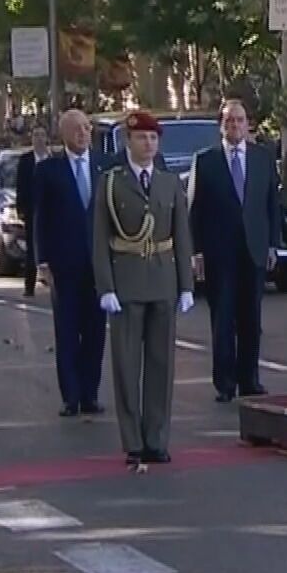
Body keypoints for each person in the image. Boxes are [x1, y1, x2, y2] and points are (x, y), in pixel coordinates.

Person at [94, 110, 194, 469]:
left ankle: (157, 438)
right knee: (126, 365)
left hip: (163, 281)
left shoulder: (169, 183)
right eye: (141, 138)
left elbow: (182, 235)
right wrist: (105, 287)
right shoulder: (112, 183)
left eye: (153, 138)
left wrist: (186, 284)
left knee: (161, 365)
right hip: (127, 281)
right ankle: (133, 441)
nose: (148, 144)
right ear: (128, 141)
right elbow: (100, 239)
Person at [187, 97, 281, 403]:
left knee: (251, 318)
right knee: (223, 318)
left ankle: (249, 379)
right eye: (229, 121)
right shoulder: (206, 160)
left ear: (248, 124)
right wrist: (197, 252)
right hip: (220, 252)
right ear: (221, 126)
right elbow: (195, 210)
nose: (235, 126)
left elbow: (272, 204)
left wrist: (273, 244)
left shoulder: (262, 158)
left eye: (240, 120)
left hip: (254, 248)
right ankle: (225, 383)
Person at [36, 108, 107, 417]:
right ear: (64, 133)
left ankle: (90, 393)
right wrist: (42, 261)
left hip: (98, 264)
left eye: (87, 128)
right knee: (67, 331)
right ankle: (71, 396)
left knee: (95, 331)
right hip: (64, 264)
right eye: (76, 129)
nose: (83, 133)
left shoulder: (105, 166)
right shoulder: (49, 171)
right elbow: (40, 219)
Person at [16, 125, 51, 298]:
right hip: (33, 210)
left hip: (52, 210)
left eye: (42, 135)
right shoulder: (26, 160)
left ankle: (53, 282)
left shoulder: (53, 159)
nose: (39, 139)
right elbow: (20, 186)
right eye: (36, 135)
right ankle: (29, 285)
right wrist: (21, 209)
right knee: (32, 247)